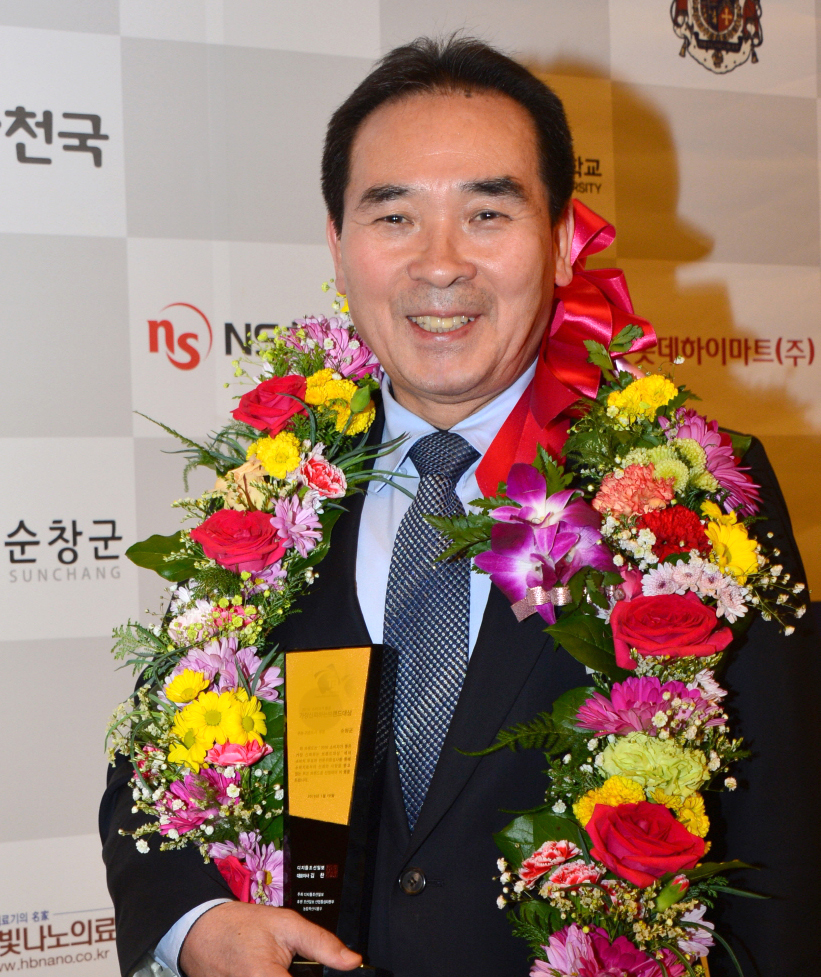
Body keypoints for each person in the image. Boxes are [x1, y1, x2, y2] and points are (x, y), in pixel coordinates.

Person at [101, 36, 821, 977]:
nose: (439, 265)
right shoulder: (271, 494)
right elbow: (152, 775)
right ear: (337, 245)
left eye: (486, 212)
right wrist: (196, 925)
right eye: (394, 215)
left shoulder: (686, 498)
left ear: (561, 241)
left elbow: (781, 852)